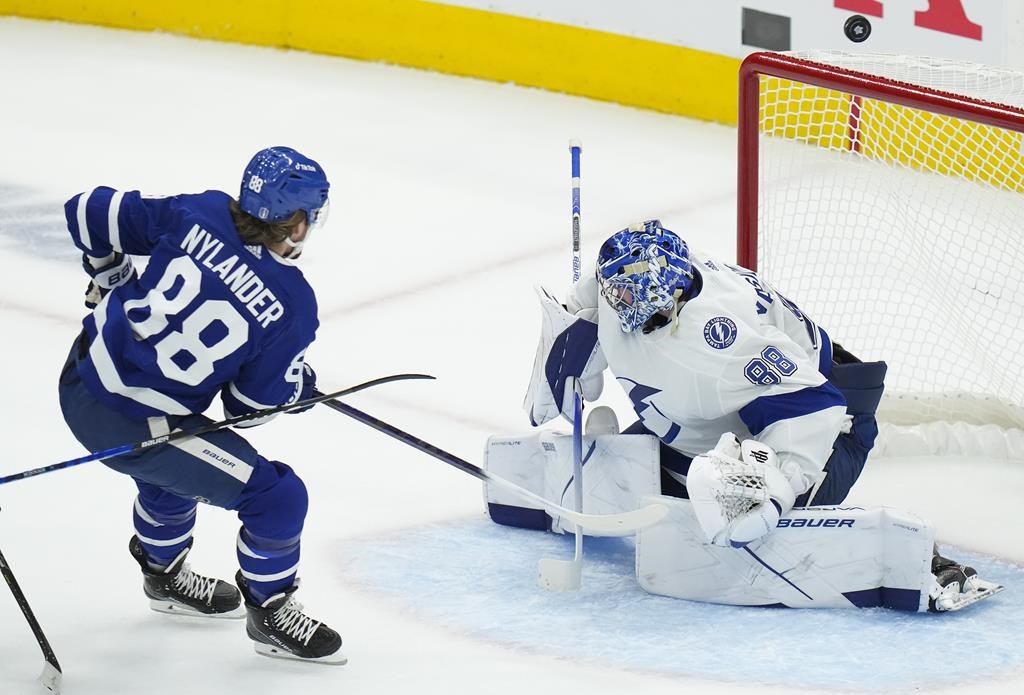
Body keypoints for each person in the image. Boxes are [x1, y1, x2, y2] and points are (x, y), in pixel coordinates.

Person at [523, 219, 997, 612]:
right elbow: (597, 293)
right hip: (716, 421)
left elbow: (814, 406)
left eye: (627, 295)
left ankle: (922, 562)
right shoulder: (641, 285)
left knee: (729, 503)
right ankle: (690, 469)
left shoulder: (719, 344)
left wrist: (776, 486)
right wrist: (571, 327)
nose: (617, 302)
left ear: (661, 293)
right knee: (682, 484)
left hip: (831, 422)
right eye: (613, 293)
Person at [57, 146, 346, 663]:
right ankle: (271, 612)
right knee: (277, 498)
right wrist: (296, 389)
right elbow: (247, 405)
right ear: (297, 224)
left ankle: (164, 576)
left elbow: (85, 211)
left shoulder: (202, 212)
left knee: (177, 459)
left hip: (80, 378)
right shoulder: (293, 306)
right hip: (133, 424)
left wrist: (107, 275)